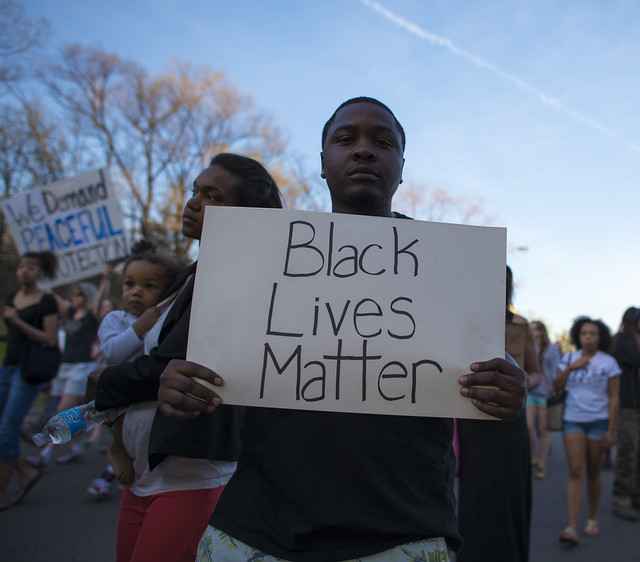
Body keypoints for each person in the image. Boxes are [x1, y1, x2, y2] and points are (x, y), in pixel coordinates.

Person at [149, 97, 527, 562]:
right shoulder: (264, 256)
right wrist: (177, 384)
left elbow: (484, 368)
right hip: (256, 532)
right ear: (323, 164)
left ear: (402, 168)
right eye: (345, 139)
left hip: (402, 533)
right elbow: (203, 373)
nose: (364, 150)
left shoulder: (449, 268)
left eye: (383, 141)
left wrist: (506, 386)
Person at [92, 153, 283, 562]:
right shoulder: (189, 277)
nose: (193, 202)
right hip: (145, 474)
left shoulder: (240, 279)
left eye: (212, 195)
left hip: (191, 476)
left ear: (247, 216)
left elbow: (175, 363)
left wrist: (104, 383)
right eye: (195, 190)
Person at [87, 242, 181, 500]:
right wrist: (139, 328)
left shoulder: (166, 319)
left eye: (149, 286)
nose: (136, 292)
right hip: (120, 389)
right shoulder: (115, 319)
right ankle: (115, 449)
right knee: (117, 419)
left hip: (151, 391)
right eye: (130, 284)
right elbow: (113, 354)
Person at [456, 265, 534, 562]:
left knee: (489, 512)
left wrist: (518, 383)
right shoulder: (449, 320)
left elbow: (535, 371)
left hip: (494, 418)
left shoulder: (519, 326)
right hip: (455, 418)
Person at [0, 252, 59, 510]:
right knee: (3, 428)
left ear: (40, 273)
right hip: (7, 367)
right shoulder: (11, 298)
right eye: (22, 266)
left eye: (32, 268)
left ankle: (5, 487)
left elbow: (50, 339)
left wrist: (16, 321)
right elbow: (10, 336)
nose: (25, 271)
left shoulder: (46, 301)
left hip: (28, 372)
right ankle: (25, 469)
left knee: (6, 428)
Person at [555, 316, 621, 545]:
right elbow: (556, 387)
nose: (588, 337)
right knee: (575, 470)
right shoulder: (569, 358)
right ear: (578, 336)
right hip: (573, 420)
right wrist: (573, 367)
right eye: (584, 333)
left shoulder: (608, 362)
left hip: (599, 421)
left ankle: (592, 518)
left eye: (593, 333)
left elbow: (614, 397)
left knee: (593, 472)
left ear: (600, 336)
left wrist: (612, 430)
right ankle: (571, 526)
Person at [31, 283, 100, 466]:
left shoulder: (92, 317)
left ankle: (45, 453)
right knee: (71, 413)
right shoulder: (69, 314)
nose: (75, 298)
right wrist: (45, 286)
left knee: (61, 410)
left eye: (80, 295)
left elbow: (100, 297)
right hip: (64, 368)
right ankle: (76, 445)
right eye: (74, 295)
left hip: (81, 367)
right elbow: (55, 297)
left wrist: (106, 277)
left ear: (87, 298)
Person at [611, 307, 640, 521]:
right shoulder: (621, 341)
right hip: (628, 405)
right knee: (627, 451)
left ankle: (635, 496)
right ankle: (621, 499)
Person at [529, 320, 563, 479]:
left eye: (537, 330)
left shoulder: (551, 349)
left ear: (543, 331)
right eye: (532, 330)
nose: (535, 333)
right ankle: (535, 455)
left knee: (544, 428)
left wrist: (555, 387)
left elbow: (556, 368)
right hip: (530, 390)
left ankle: (541, 463)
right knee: (529, 426)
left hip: (545, 393)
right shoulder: (529, 346)